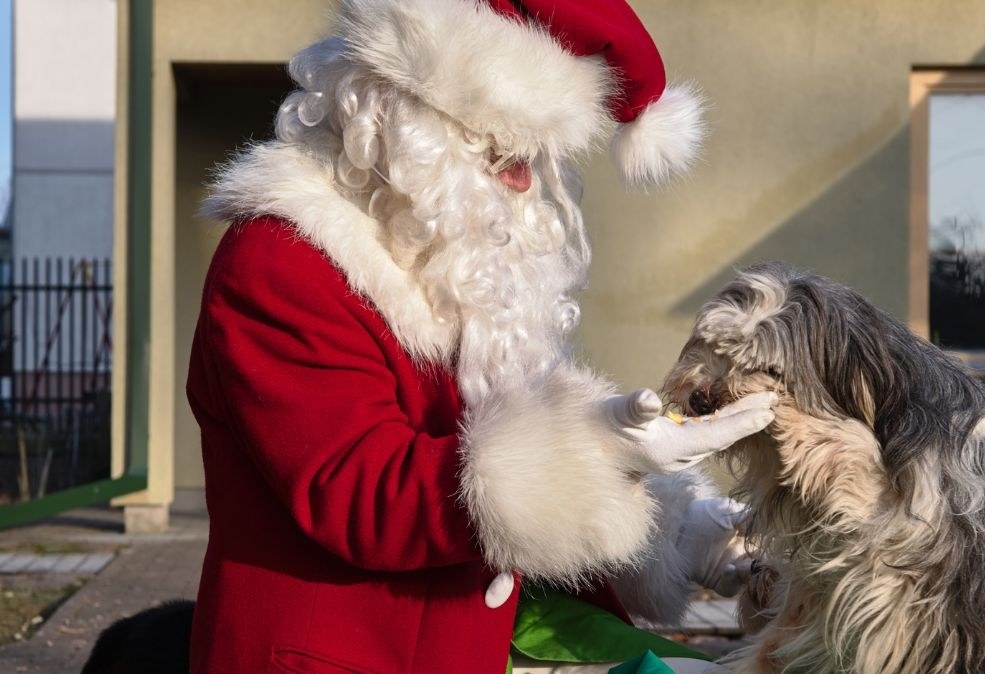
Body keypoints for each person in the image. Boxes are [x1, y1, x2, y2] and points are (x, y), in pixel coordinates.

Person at [185, 1, 776, 672]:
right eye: (500, 150)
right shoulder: (280, 261)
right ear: (390, 114)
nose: (523, 180)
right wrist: (601, 453)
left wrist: (686, 530)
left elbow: (521, 447)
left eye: (535, 157)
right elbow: (363, 491)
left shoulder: (447, 266)